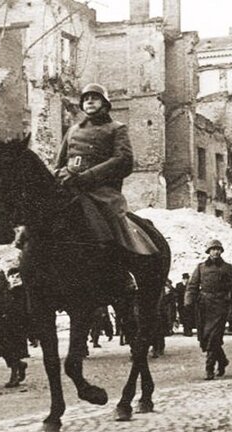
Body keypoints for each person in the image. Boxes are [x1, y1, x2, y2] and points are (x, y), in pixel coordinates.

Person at [53, 83, 158, 292]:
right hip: (71, 185)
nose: (89, 101)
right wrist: (61, 175)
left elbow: (123, 159)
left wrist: (89, 176)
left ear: (105, 103)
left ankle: (122, 272)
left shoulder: (116, 128)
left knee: (112, 219)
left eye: (95, 98)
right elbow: (60, 162)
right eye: (86, 99)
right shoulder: (73, 130)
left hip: (101, 189)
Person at [185, 240, 232, 380]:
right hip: (204, 306)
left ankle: (209, 368)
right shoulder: (201, 267)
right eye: (213, 249)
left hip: (221, 306)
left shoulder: (227, 267)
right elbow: (192, 286)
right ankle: (222, 361)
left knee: (214, 336)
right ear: (208, 251)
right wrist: (188, 301)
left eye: (218, 249)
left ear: (221, 251)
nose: (216, 252)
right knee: (206, 337)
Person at [0, 268, 30, 388]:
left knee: (14, 352)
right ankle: (20, 365)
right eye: (12, 277)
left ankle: (14, 376)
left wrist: (31, 331)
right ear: (8, 278)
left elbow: (28, 311)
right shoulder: (2, 290)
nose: (15, 279)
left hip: (18, 327)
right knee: (4, 352)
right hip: (2, 326)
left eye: (18, 277)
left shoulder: (24, 292)